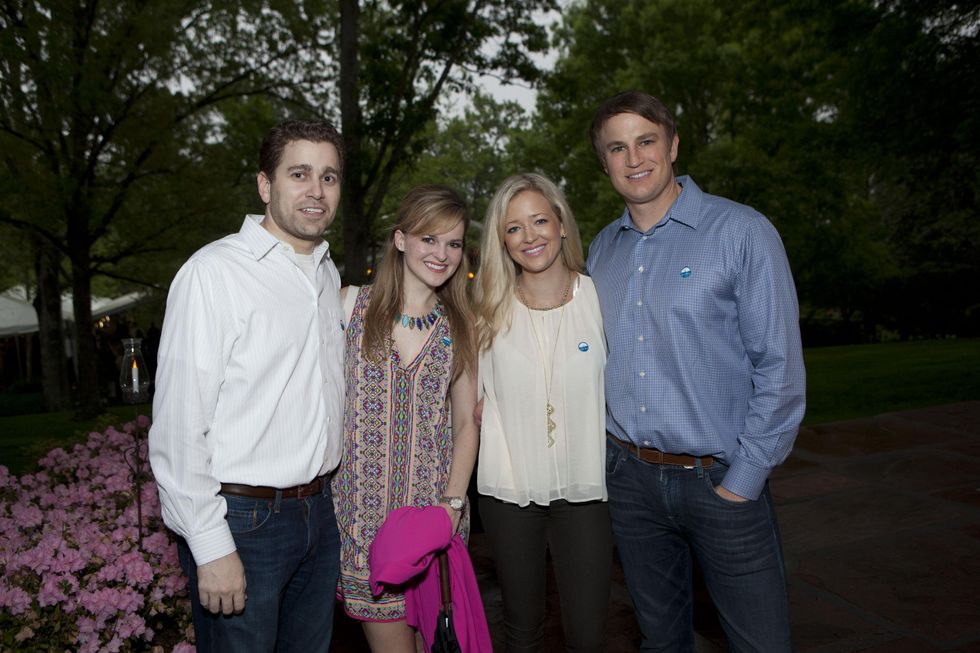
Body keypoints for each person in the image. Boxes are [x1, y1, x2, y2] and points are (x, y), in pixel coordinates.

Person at [586, 91, 806, 652]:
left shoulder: (741, 231)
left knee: (761, 644)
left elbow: (780, 368)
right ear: (604, 162)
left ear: (673, 144)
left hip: (722, 482)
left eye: (646, 141)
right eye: (617, 147)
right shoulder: (602, 251)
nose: (634, 158)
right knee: (660, 643)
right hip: (632, 484)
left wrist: (744, 481)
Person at [149, 119, 346, 653]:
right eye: (299, 173)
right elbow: (177, 426)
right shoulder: (213, 274)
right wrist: (211, 547)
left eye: (329, 177)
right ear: (265, 185)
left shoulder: (327, 275)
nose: (315, 190)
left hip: (319, 515)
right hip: (243, 522)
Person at [333, 184, 479, 652]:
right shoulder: (348, 306)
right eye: (428, 238)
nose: (442, 253)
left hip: (433, 523)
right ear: (400, 240)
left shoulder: (461, 326)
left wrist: (451, 509)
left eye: (453, 243)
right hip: (364, 523)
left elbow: (466, 424)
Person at [473, 173, 612, 652]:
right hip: (508, 492)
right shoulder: (485, 310)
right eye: (514, 228)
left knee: (590, 635)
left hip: (585, 488)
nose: (529, 236)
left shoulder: (598, 297)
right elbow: (460, 400)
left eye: (539, 221)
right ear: (502, 240)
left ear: (562, 225)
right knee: (522, 630)